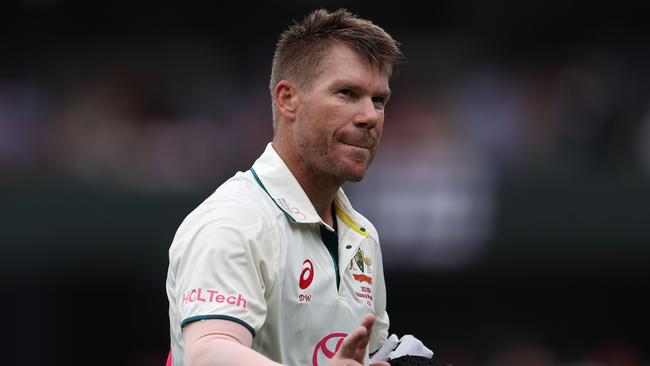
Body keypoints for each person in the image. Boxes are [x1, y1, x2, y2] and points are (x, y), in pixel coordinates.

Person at [165, 8, 402, 366]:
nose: (369, 116)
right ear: (287, 99)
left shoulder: (362, 235)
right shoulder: (232, 222)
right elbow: (209, 352)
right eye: (347, 93)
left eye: (378, 100)